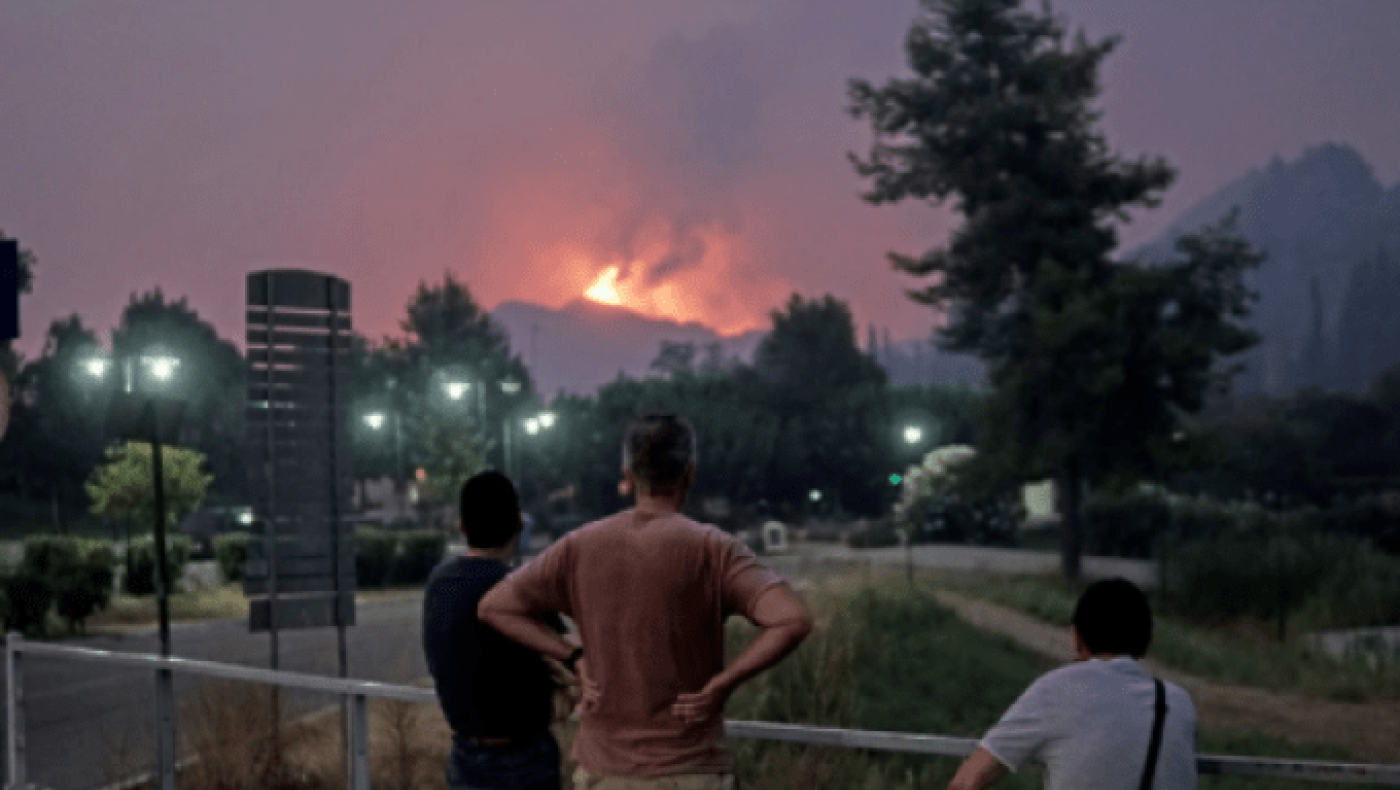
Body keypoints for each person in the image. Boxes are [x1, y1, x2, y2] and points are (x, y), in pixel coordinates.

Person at [480, 413, 814, 790]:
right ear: (689, 472)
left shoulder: (579, 546)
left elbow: (495, 606)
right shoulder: (712, 548)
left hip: (604, 771)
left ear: (628, 474)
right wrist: (723, 684)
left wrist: (573, 658)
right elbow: (792, 620)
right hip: (689, 768)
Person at [949, 578, 1198, 790]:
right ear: (1147, 641)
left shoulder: (1056, 689)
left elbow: (968, 781)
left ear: (1077, 638)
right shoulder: (1178, 703)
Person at [423, 470, 572, 790]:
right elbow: (566, 655)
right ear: (519, 525)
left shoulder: (439, 584)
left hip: (464, 753)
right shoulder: (518, 588)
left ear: (462, 525)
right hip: (522, 756)